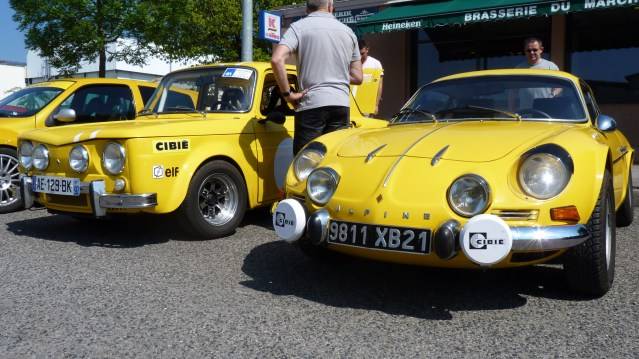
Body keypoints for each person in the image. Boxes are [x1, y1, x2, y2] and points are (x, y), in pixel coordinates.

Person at [271, 0, 363, 155]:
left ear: (307, 8)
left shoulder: (299, 27)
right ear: (330, 6)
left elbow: (277, 59)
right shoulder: (348, 32)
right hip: (340, 105)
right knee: (333, 163)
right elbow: (358, 76)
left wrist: (288, 95)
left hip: (311, 104)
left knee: (304, 165)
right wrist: (335, 73)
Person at [515, 37, 560, 108]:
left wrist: (553, 94)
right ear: (525, 51)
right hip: (524, 114)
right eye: (528, 50)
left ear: (541, 50)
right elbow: (513, 93)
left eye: (534, 50)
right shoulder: (519, 69)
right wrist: (512, 110)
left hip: (546, 111)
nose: (531, 52)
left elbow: (559, 86)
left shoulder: (551, 67)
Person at [358, 39, 384, 116]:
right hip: (354, 104)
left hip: (368, 105)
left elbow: (379, 85)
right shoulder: (353, 63)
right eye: (357, 54)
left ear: (367, 50)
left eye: (362, 54)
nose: (360, 56)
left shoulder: (375, 63)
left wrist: (376, 105)